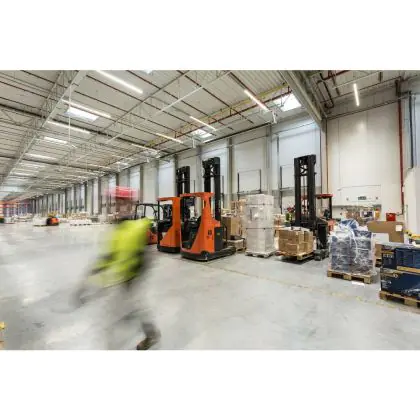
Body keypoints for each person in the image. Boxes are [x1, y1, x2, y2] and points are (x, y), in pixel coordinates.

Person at [77, 187, 161, 350]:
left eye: (123, 202)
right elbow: (109, 256)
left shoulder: (141, 226)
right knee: (118, 311)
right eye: (117, 203)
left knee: (136, 305)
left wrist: (136, 273)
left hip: (132, 278)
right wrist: (89, 278)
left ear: (131, 205)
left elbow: (148, 256)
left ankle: (151, 335)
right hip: (120, 278)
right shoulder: (116, 230)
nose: (119, 206)